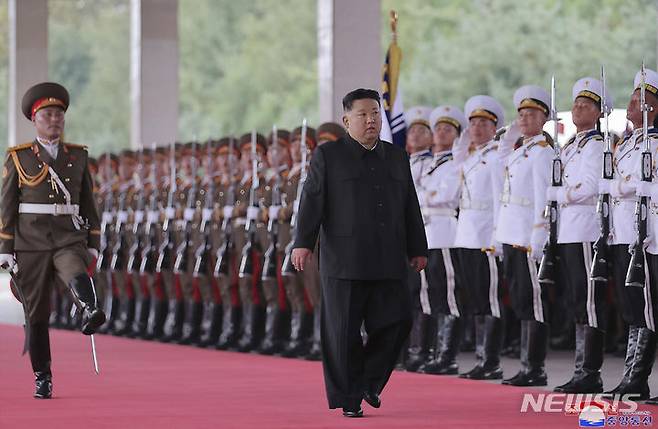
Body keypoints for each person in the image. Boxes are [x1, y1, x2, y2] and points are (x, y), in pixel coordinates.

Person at [291, 88, 428, 417]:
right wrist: (302, 242)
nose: (371, 120)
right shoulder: (329, 156)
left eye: (375, 113)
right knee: (343, 334)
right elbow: (312, 201)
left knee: (398, 321)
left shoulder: (396, 156)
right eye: (363, 114)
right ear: (347, 119)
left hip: (389, 257)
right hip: (344, 260)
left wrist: (417, 247)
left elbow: (410, 204)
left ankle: (368, 380)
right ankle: (350, 398)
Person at [0, 82, 104, 398]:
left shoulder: (78, 156)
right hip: (30, 242)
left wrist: (93, 241)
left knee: (74, 266)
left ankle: (89, 309)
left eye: (59, 114)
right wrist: (5, 248)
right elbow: (6, 206)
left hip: (66, 237)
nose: (54, 119)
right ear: (35, 119)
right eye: (48, 114)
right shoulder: (18, 158)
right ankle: (42, 375)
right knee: (37, 314)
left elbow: (88, 202)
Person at [548, 77, 608, 393]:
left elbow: (592, 185)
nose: (579, 108)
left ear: (598, 112)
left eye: (587, 105)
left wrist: (561, 194)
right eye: (576, 104)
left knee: (589, 301)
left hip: (585, 228)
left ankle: (590, 371)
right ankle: (580, 369)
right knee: (576, 301)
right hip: (569, 231)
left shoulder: (596, 145)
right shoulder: (572, 144)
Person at [602, 68, 658, 400]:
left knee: (650, 306)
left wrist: (621, 187)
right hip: (625, 232)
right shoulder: (627, 143)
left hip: (649, 233)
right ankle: (633, 377)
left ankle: (636, 377)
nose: (632, 105)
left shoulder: (654, 142)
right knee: (634, 307)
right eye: (632, 99)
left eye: (641, 100)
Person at [495, 84, 553, 387]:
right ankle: (526, 364)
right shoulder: (521, 152)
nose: (524, 118)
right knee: (520, 300)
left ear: (544, 118)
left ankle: (535, 367)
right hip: (511, 233)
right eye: (521, 113)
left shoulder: (543, 153)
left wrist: (539, 237)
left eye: (531, 113)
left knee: (533, 302)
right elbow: (499, 164)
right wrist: (507, 136)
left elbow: (544, 199)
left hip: (528, 238)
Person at [449, 95, 506, 380]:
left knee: (489, 298)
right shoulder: (471, 158)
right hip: (467, 234)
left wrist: (497, 236)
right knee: (474, 298)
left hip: (486, 234)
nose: (476, 128)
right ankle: (482, 357)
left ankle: (491, 359)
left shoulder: (496, 158)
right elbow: (454, 187)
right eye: (472, 123)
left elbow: (499, 198)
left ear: (495, 127)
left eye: (483, 123)